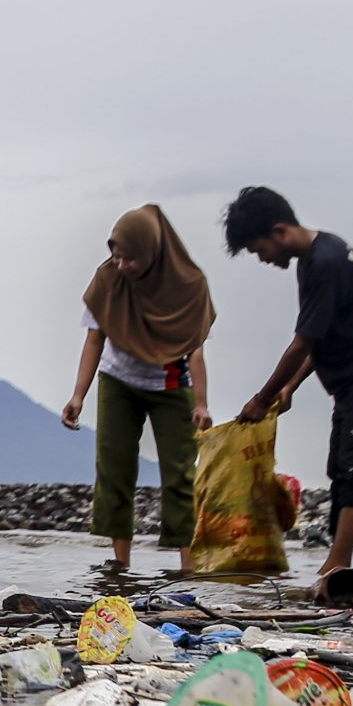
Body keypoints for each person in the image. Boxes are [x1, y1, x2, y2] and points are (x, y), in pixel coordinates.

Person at [222, 187, 353, 582]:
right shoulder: (315, 258)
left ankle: (337, 564)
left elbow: (302, 342)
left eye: (259, 249)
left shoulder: (326, 262)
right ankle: (337, 561)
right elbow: (322, 334)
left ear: (280, 231)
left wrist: (262, 399)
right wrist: (290, 387)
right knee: (340, 464)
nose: (262, 259)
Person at [61, 205, 216, 572]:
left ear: (152, 253)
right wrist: (78, 396)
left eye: (131, 258)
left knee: (180, 474)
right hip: (118, 382)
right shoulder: (107, 280)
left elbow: (195, 349)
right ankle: (119, 562)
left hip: (171, 383)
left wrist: (201, 403)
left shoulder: (188, 285)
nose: (122, 265)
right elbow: (94, 341)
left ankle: (187, 564)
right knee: (114, 469)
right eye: (117, 256)